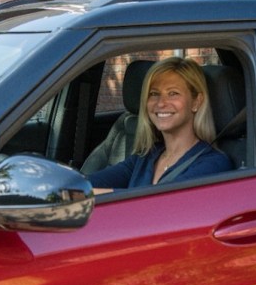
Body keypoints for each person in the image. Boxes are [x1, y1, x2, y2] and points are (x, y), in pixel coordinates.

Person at [89, 56, 232, 192]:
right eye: (154, 94)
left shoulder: (213, 165)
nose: (161, 103)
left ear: (196, 102)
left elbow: (155, 205)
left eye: (173, 93)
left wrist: (88, 195)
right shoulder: (146, 157)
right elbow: (87, 184)